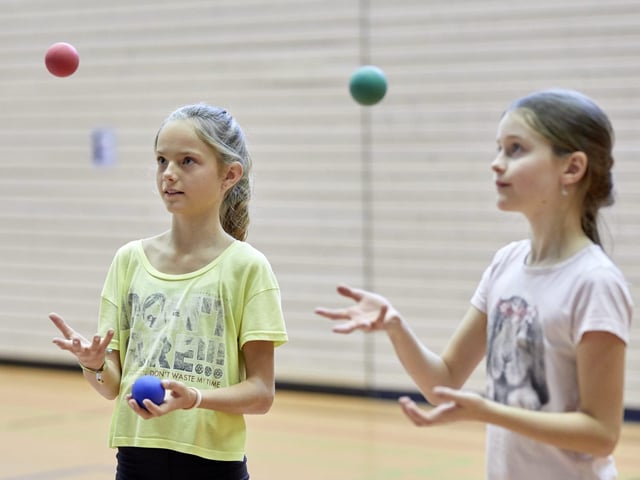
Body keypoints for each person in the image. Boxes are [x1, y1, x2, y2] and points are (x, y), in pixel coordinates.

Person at [315, 89, 632, 479]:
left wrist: (488, 410)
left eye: (516, 150)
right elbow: (442, 382)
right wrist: (397, 328)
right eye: (498, 149)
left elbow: (601, 434)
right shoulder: (506, 264)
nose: (496, 165)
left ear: (572, 168)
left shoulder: (594, 283)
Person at [50, 104, 288, 480]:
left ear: (229, 174)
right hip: (136, 457)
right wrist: (94, 363)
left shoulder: (247, 268)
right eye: (162, 161)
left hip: (214, 465)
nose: (169, 174)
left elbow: (261, 393)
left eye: (187, 161)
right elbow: (111, 386)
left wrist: (195, 399)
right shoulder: (128, 260)